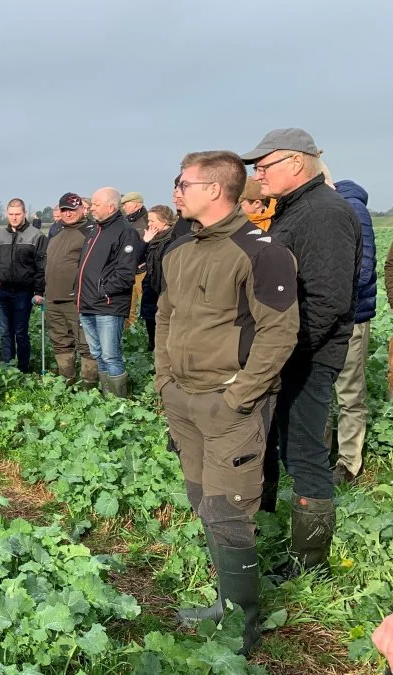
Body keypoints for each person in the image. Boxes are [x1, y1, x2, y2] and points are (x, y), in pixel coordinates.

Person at [156, 150, 299, 656]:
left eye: (183, 182)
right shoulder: (180, 250)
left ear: (215, 189)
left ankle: (244, 625)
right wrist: (164, 382)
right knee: (203, 502)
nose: (176, 191)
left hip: (228, 406)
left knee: (229, 509)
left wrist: (237, 396)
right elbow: (165, 317)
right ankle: (223, 602)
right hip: (184, 402)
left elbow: (280, 332)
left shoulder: (261, 252)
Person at [241, 130, 360, 578]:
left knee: (305, 454)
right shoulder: (297, 211)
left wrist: (281, 353)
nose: (258, 174)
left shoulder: (324, 214)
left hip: (306, 356)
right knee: (282, 446)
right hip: (289, 353)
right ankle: (272, 533)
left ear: (296, 163)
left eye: (264, 165)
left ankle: (310, 565)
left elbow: (326, 300)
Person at [75, 187, 143, 397]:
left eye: (96, 204)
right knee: (98, 355)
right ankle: (108, 396)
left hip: (108, 305)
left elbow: (125, 273)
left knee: (111, 356)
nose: (91, 208)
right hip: (87, 303)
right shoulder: (95, 230)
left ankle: (120, 401)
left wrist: (102, 291)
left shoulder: (125, 231)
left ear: (111, 207)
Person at [332, 177, 375, 485]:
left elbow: (363, 269)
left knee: (349, 392)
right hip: (330, 316)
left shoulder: (353, 208)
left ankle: (349, 463)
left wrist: (329, 303)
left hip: (351, 317)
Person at [44, 193, 97, 388]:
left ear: (82, 209)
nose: (68, 214)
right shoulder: (56, 234)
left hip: (76, 300)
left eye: (72, 210)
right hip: (53, 299)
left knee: (86, 345)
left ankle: (88, 387)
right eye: (64, 210)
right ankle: (67, 384)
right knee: (60, 342)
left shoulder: (90, 232)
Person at [0, 198, 46, 372]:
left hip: (24, 291)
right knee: (4, 332)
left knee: (20, 332)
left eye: (17, 214)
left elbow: (41, 265)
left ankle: (23, 368)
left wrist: (39, 291)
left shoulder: (36, 235)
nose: (14, 218)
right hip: (2, 290)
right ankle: (9, 368)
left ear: (24, 214)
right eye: (10, 214)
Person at [139, 205, 177, 351]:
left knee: (163, 323)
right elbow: (136, 259)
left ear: (164, 221)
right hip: (151, 286)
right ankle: (153, 350)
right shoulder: (152, 239)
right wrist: (145, 242)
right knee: (150, 320)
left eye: (152, 221)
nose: (149, 224)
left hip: (164, 287)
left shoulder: (172, 239)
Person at [120, 192, 149, 331]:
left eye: (126, 204)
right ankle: (128, 337)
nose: (124, 207)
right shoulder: (126, 222)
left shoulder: (148, 220)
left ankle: (145, 337)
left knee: (146, 307)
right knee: (128, 309)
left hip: (143, 272)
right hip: (128, 272)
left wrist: (148, 262)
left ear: (136, 204)